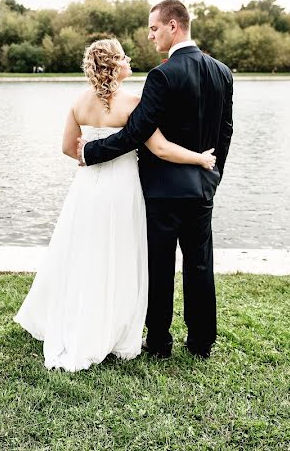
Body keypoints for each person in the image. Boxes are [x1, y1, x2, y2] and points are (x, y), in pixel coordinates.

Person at [14, 38, 216, 372]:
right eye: (124, 56)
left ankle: (78, 318)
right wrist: (199, 158)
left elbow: (68, 149)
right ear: (114, 65)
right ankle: (115, 327)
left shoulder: (78, 104)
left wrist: (88, 153)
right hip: (123, 189)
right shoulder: (133, 103)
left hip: (88, 189)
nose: (130, 59)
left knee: (83, 253)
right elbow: (162, 149)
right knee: (121, 253)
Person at [78, 0, 234, 359]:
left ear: (173, 26)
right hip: (201, 188)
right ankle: (201, 342)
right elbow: (225, 132)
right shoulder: (222, 72)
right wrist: (214, 175)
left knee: (159, 266)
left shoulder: (162, 75)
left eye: (153, 28)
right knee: (200, 263)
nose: (150, 36)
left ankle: (160, 342)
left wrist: (91, 152)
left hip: (162, 190)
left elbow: (136, 132)